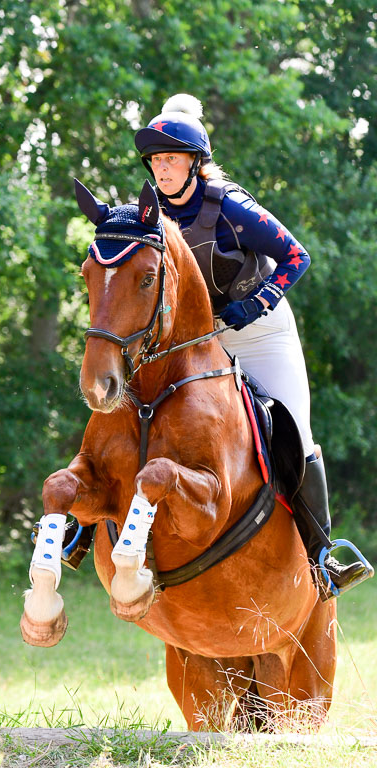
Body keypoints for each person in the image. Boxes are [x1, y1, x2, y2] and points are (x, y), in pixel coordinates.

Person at [134, 93, 372, 598]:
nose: (161, 169)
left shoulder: (231, 208)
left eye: (170, 158)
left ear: (196, 163)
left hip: (261, 331)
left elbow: (296, 255)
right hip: (201, 339)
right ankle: (86, 526)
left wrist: (256, 303)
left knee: (295, 432)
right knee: (140, 411)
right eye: (155, 160)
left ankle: (324, 556)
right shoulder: (150, 212)